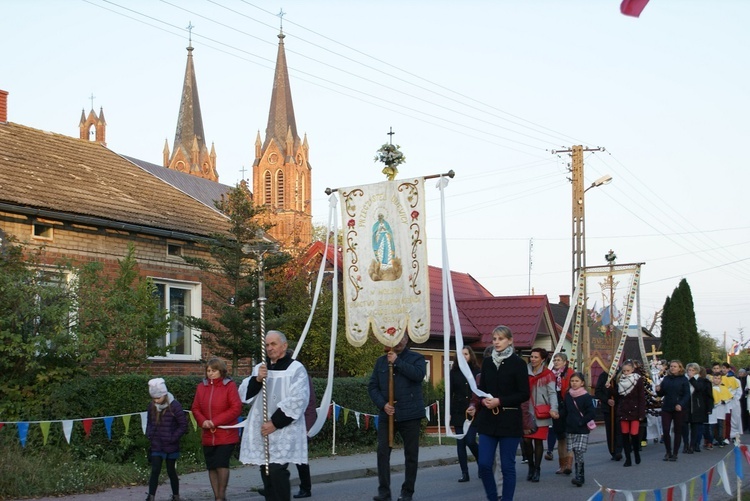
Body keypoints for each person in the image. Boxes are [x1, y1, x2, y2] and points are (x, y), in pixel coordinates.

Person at [239, 331, 310, 501]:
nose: (269, 348)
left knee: (277, 470)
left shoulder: (296, 369)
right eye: (267, 345)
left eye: (273, 344)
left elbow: (298, 400)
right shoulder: (261, 368)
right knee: (266, 470)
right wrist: (257, 380)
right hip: (263, 428)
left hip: (284, 428)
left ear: (284, 346)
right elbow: (245, 395)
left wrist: (275, 423)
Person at [471, 325, 530, 501]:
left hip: (509, 420)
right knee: (484, 464)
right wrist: (482, 401)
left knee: (507, 466)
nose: (496, 342)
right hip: (488, 420)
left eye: (501, 338)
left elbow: (524, 393)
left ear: (510, 340)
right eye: (494, 339)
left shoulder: (518, 363)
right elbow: (482, 389)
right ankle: (492, 497)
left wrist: (500, 400)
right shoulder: (488, 362)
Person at [368, 335, 426, 501]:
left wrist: (397, 362)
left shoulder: (417, 358)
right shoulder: (380, 362)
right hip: (388, 414)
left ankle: (407, 492)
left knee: (411, 455)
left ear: (407, 339)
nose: (398, 342)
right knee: (383, 453)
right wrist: (383, 404)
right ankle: (384, 492)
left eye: (401, 338)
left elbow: (418, 375)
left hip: (410, 414)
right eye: (394, 338)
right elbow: (373, 387)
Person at [191, 358, 243, 501]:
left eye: (214, 371)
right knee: (212, 466)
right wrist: (203, 422)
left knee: (221, 464)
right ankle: (216, 496)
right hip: (208, 434)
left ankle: (221, 496)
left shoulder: (229, 386)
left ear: (221, 371)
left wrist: (215, 422)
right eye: (208, 371)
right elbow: (195, 408)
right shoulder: (201, 387)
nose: (210, 374)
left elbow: (236, 408)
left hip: (225, 433)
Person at [145, 377, 188, 501]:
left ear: (164, 394)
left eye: (158, 398)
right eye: (153, 398)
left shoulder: (175, 406)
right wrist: (150, 434)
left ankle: (176, 496)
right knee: (155, 470)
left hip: (171, 444)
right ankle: (151, 496)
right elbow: (149, 422)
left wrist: (173, 438)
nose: (156, 401)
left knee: (171, 471)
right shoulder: (151, 406)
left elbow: (183, 425)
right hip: (156, 444)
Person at [522, 347, 558, 482]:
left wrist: (554, 408)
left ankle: (537, 469)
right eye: (531, 356)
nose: (533, 359)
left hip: (541, 412)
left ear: (543, 359)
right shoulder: (524, 371)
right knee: (526, 441)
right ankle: (530, 466)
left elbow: (552, 393)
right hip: (526, 412)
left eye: (536, 357)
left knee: (538, 441)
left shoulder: (548, 374)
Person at [450, 346, 480, 483]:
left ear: (471, 355)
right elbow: (449, 393)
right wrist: (448, 412)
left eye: (466, 354)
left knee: (470, 440)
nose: (464, 356)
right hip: (458, 410)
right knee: (460, 443)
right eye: (461, 355)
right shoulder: (454, 372)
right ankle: (464, 473)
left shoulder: (477, 371)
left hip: (472, 410)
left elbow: (480, 391)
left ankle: (482, 462)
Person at [563, 371, 596, 487]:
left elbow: (591, 413)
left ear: (582, 383)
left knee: (579, 451)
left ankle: (580, 476)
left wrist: (581, 421)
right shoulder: (568, 395)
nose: (574, 383)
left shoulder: (586, 396)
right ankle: (578, 474)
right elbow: (565, 411)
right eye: (572, 381)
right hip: (570, 428)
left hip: (582, 428)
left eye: (577, 381)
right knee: (573, 450)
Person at [655, 360, 690, 461]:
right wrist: (658, 390)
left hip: (678, 408)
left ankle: (675, 453)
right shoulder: (666, 379)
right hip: (667, 407)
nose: (672, 368)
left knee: (678, 430)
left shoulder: (683, 379)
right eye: (671, 366)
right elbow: (662, 393)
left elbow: (687, 394)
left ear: (680, 368)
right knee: (666, 430)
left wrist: (680, 404)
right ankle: (668, 451)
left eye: (675, 366)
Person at [614, 361, 646, 467]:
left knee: (634, 434)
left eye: (628, 371)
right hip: (623, 410)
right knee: (624, 435)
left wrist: (641, 413)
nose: (626, 373)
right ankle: (628, 458)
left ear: (632, 370)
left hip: (635, 411)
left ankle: (636, 453)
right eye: (624, 371)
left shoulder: (638, 380)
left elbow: (641, 397)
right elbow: (617, 395)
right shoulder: (619, 380)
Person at [548, 352, 574, 475]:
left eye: (558, 360)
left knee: (568, 436)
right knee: (560, 437)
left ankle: (569, 465)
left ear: (565, 362)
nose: (556, 362)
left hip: (568, 406)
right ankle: (562, 465)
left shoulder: (570, 374)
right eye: (555, 360)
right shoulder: (551, 375)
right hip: (556, 406)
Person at [595, 367, 623, 461]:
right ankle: (613, 450)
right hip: (608, 408)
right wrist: (607, 400)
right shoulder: (603, 376)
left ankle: (619, 450)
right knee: (610, 429)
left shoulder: (621, 375)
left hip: (619, 407)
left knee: (619, 429)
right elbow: (598, 392)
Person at [685, 363, 712, 453]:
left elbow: (699, 388)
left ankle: (694, 445)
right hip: (686, 407)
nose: (691, 372)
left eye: (693, 370)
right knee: (684, 427)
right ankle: (686, 445)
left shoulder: (702, 381)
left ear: (697, 371)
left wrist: (709, 408)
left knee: (696, 427)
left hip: (698, 407)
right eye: (689, 370)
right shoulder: (684, 380)